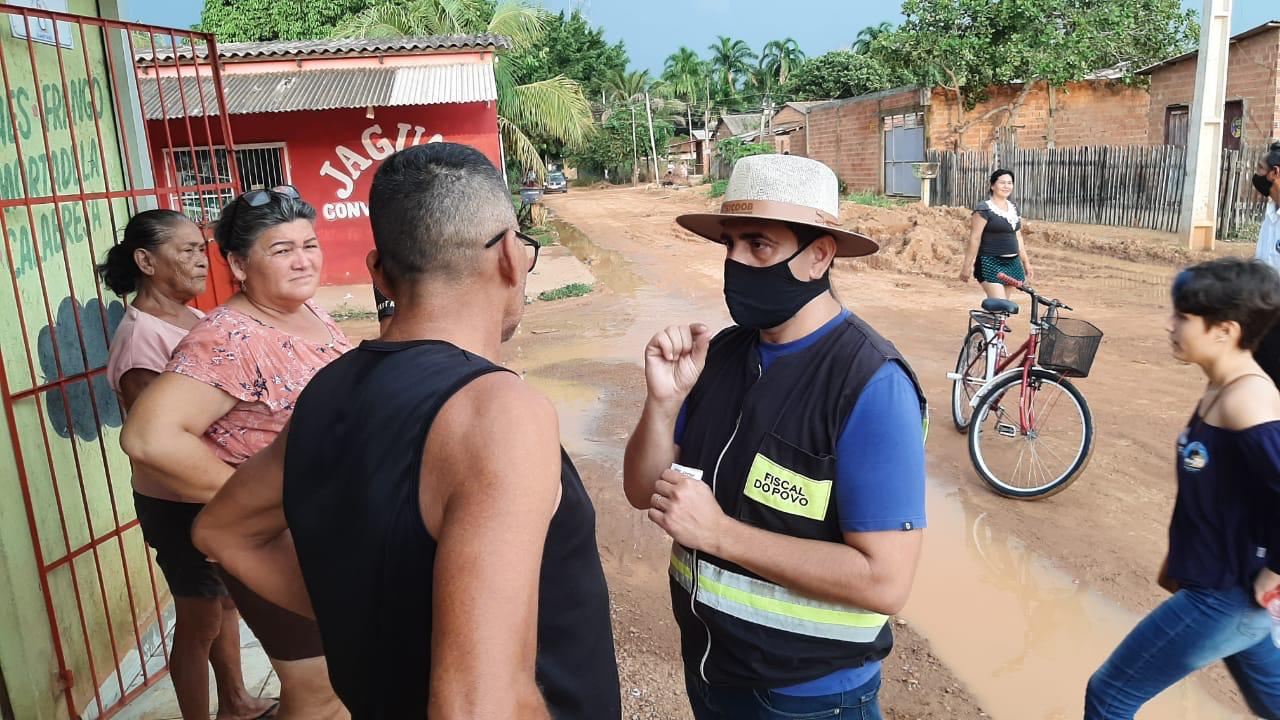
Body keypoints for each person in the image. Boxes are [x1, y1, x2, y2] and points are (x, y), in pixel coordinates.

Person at [191, 143, 622, 719]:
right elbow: (475, 708)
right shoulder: (499, 413)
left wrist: (363, 622)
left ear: (378, 271)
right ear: (511, 259)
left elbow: (223, 531)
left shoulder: (328, 390)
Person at [624, 154, 927, 719]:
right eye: (730, 244)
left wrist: (719, 533)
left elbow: (885, 581)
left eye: (758, 245)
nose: (736, 262)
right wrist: (662, 406)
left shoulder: (871, 384)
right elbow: (645, 492)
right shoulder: (722, 357)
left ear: (819, 255)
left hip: (811, 698)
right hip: (713, 673)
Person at [121, 186, 351, 720]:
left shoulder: (305, 310)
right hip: (273, 540)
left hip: (317, 532)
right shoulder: (232, 336)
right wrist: (251, 503)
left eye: (309, 245)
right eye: (281, 250)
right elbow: (149, 438)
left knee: (341, 681)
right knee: (317, 691)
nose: (302, 260)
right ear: (240, 265)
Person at [1085, 257, 1280, 719]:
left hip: (1224, 595)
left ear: (1224, 330)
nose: (1170, 325)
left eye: (1183, 317)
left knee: (1109, 695)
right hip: (1220, 585)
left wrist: (1275, 571)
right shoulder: (1220, 387)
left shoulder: (1247, 400)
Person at [100, 210, 276, 720]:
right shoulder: (140, 340)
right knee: (199, 619)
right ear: (145, 261)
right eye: (187, 250)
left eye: (203, 248)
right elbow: (158, 437)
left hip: (214, 493)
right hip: (178, 501)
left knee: (224, 606)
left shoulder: (196, 320)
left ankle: (237, 702)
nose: (202, 260)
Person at [960, 169, 1034, 301]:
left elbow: (1018, 237)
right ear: (992, 186)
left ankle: (987, 321)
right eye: (1002, 183)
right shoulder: (984, 209)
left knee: (1003, 310)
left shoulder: (1013, 208)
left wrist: (1026, 263)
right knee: (1000, 305)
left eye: (1009, 183)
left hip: (1013, 263)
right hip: (990, 262)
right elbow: (974, 239)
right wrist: (967, 267)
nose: (1006, 186)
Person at [1251, 141, 1280, 385]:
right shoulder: (1271, 212)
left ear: (1275, 173)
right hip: (1264, 322)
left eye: (1261, 169)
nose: (1256, 175)